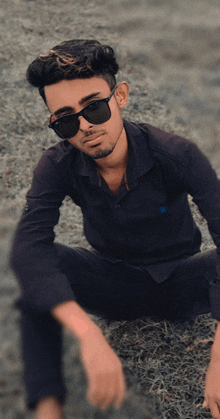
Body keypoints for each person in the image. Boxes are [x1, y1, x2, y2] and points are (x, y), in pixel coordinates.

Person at [10, 39, 220, 419]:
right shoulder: (57, 165)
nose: (86, 126)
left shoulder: (176, 153)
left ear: (119, 96)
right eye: (67, 120)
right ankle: (47, 408)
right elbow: (30, 246)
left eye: (94, 106)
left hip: (184, 281)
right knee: (37, 274)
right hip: (113, 285)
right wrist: (87, 334)